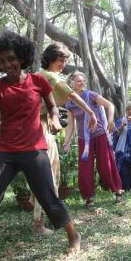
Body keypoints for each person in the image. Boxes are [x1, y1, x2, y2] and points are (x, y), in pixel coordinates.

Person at [0, 31, 80, 261]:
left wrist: (55, 120)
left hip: (34, 150)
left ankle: (74, 236)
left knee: (48, 198)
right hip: (6, 152)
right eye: (1, 61)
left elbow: (53, 107)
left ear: (22, 57)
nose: (7, 64)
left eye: (11, 58)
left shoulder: (38, 81)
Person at [31, 42, 97, 234]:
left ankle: (40, 220)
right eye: (61, 60)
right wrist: (91, 113)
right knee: (47, 175)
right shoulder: (49, 76)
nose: (63, 64)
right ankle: (39, 223)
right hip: (38, 129)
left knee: (44, 174)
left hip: (39, 127)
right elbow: (72, 96)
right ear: (51, 59)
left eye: (65, 60)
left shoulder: (43, 75)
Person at [63, 71, 123, 208]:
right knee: (85, 169)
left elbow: (110, 105)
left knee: (106, 165)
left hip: (100, 135)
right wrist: (66, 142)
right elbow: (70, 125)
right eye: (79, 81)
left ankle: (118, 191)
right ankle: (89, 198)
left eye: (83, 80)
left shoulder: (91, 95)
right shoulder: (70, 103)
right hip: (84, 139)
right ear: (72, 84)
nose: (82, 83)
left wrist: (110, 120)